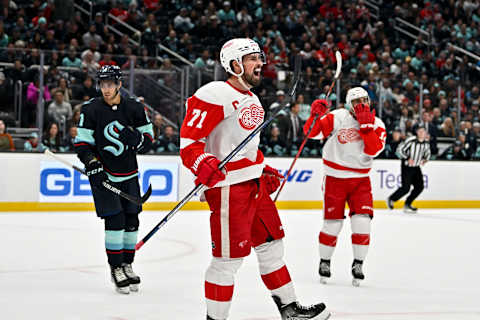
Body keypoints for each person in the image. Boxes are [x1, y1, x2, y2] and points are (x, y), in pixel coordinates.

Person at [179, 38, 330, 320]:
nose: (260, 63)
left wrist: (260, 168)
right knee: (227, 261)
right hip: (227, 189)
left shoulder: (252, 98)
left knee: (272, 246)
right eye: (252, 58)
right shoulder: (214, 93)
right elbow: (189, 143)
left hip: (253, 186)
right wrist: (202, 161)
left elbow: (246, 147)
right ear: (234, 64)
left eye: (260, 58)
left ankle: (290, 308)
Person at [74, 65, 153, 294]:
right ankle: (115, 267)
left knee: (132, 221)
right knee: (115, 221)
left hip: (129, 174)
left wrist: (136, 139)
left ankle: (128, 264)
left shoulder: (135, 108)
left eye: (110, 84)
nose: (106, 89)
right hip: (104, 176)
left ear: (119, 84)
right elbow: (82, 144)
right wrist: (92, 163)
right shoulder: (91, 110)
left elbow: (148, 140)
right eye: (102, 84)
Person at [303, 87, 386, 286]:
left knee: (362, 222)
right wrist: (314, 115)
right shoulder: (338, 117)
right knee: (333, 223)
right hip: (335, 178)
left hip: (360, 181)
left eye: (365, 99)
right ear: (349, 104)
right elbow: (311, 133)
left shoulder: (377, 124)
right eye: (357, 101)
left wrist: (366, 127)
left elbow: (374, 150)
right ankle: (325, 261)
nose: (362, 104)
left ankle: (358, 263)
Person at [387, 125, 431, 213]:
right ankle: (391, 199)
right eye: (420, 131)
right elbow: (399, 150)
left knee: (420, 187)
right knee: (406, 188)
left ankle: (408, 203)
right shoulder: (410, 140)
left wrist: (426, 159)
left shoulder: (426, 143)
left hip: (416, 167)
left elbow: (427, 153)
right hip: (406, 166)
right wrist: (407, 158)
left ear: (426, 133)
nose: (422, 133)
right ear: (417, 132)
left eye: (423, 131)